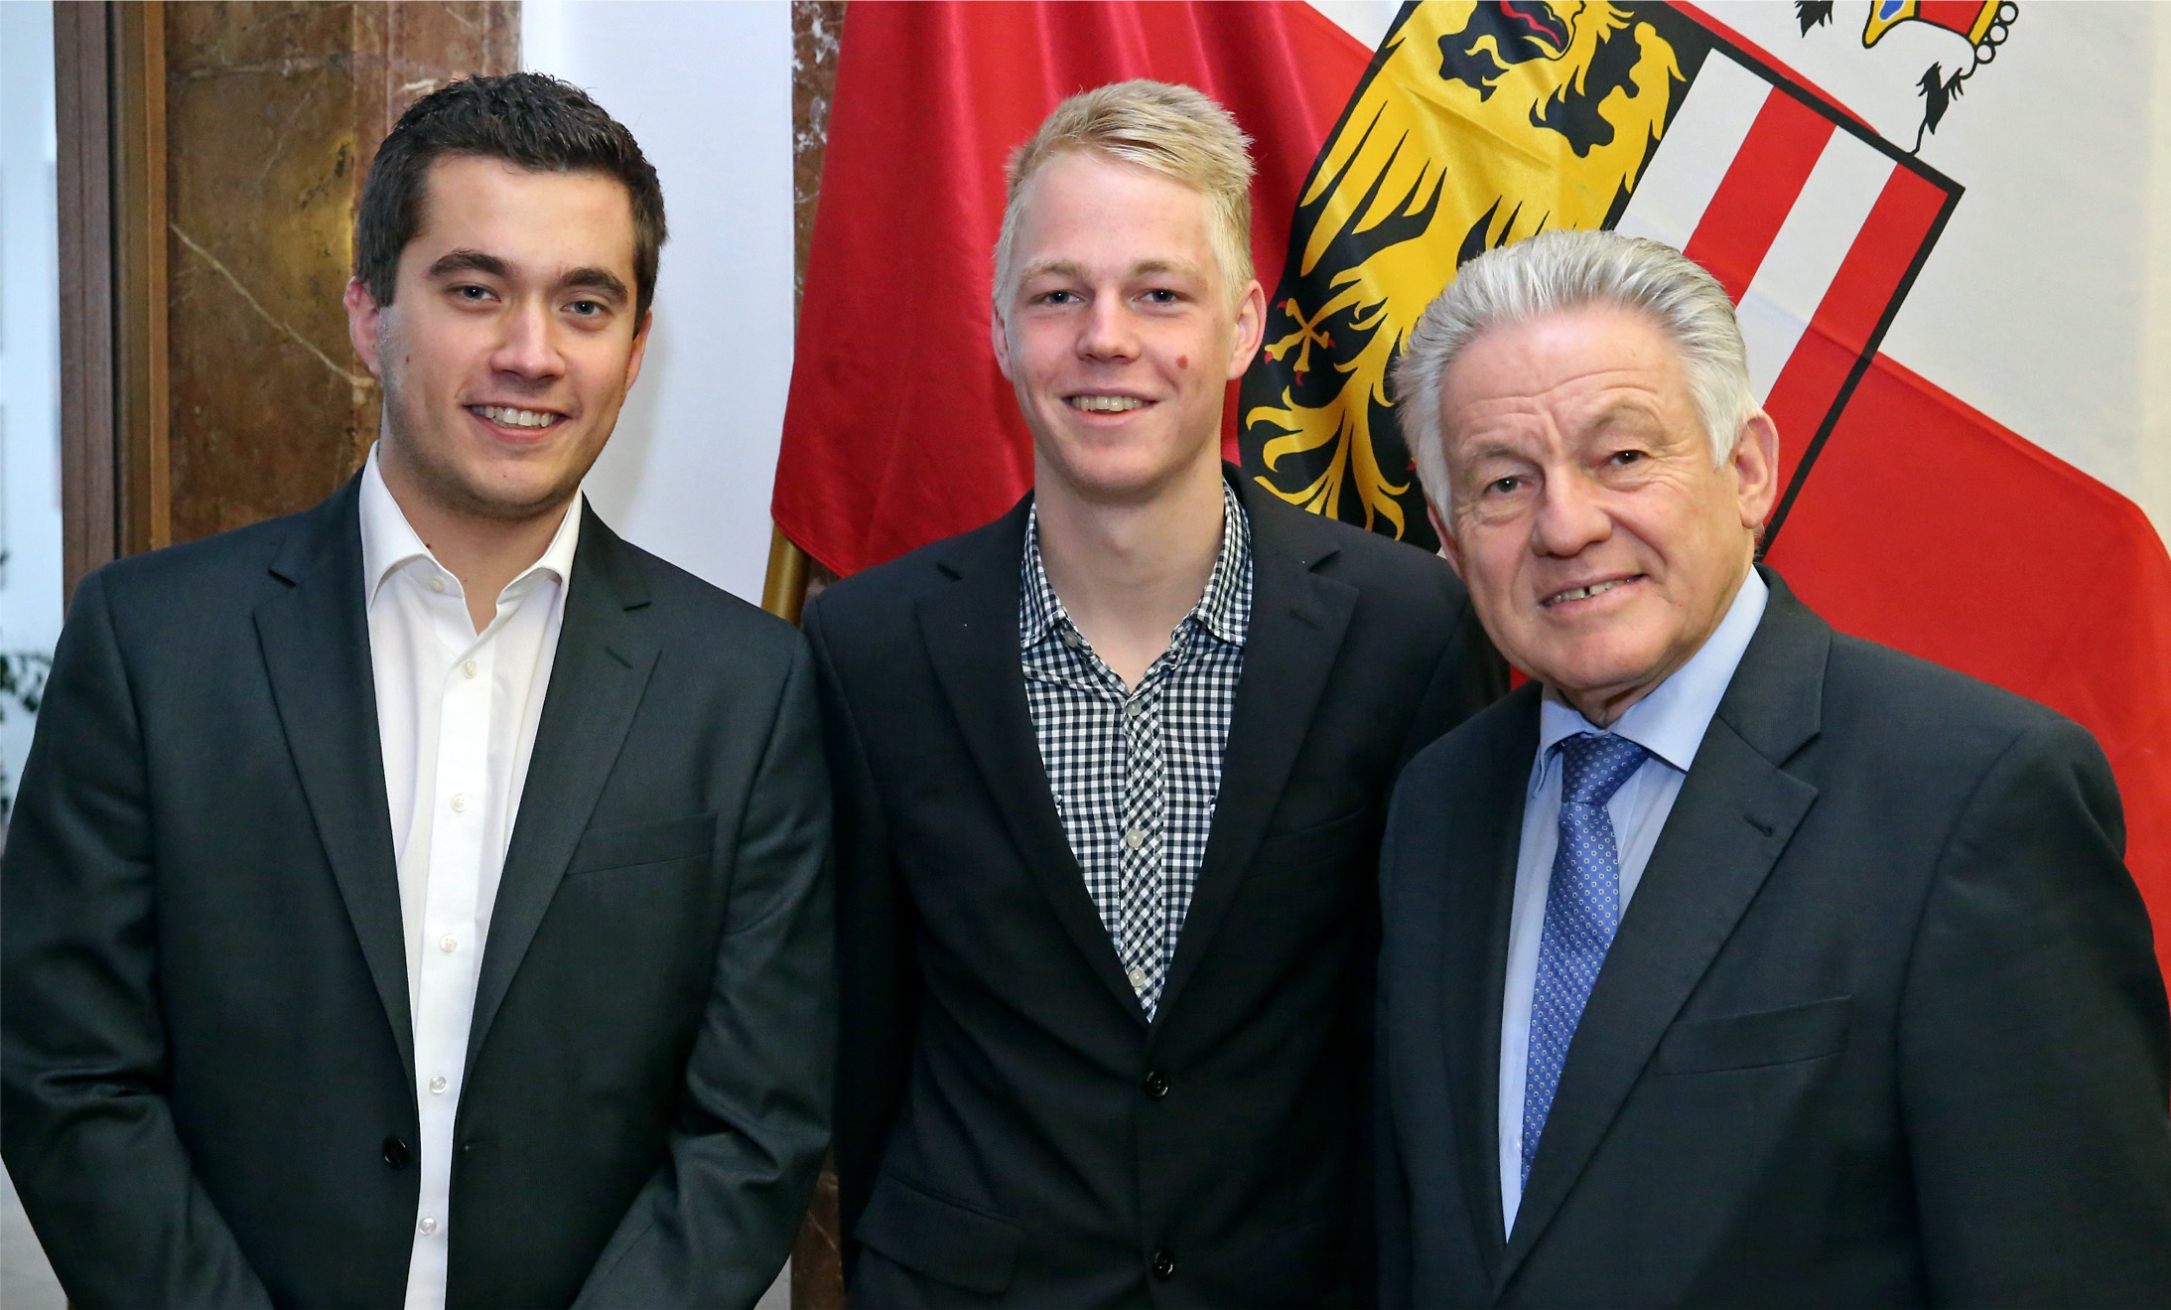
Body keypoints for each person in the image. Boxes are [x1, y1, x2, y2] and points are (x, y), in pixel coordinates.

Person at [1, 74, 831, 1309]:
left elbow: (753, 1126)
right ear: (368, 313)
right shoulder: (151, 643)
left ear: (635, 346)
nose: (531, 353)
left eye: (585, 302)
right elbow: (67, 1072)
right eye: (475, 289)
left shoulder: (746, 688)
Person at [1375, 228, 2171, 1307]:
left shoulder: (1974, 796)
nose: (1564, 525)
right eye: (1503, 483)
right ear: (1449, 535)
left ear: (1746, 469)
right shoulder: (1435, 803)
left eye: (1620, 456)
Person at [806, 80, 1502, 1308]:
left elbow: (1435, 1032)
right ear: (1000, 327)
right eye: (1058, 293)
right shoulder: (869, 646)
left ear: (1241, 326)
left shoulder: (1404, 631)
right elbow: (865, 1044)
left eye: (1158, 293)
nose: (1105, 337)